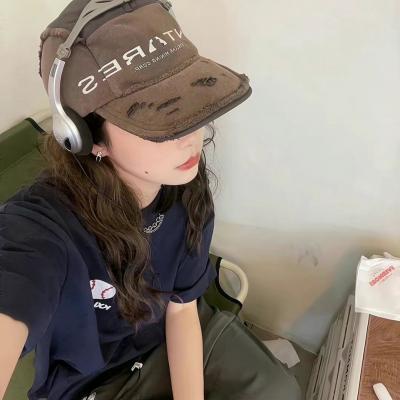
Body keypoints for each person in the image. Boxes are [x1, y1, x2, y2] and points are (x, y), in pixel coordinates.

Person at [0, 1, 302, 399]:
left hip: (171, 336)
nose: (190, 135)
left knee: (280, 390)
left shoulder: (185, 185)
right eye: (156, 116)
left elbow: (182, 308)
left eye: (190, 105)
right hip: (97, 380)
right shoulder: (44, 226)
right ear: (85, 135)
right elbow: (16, 282)